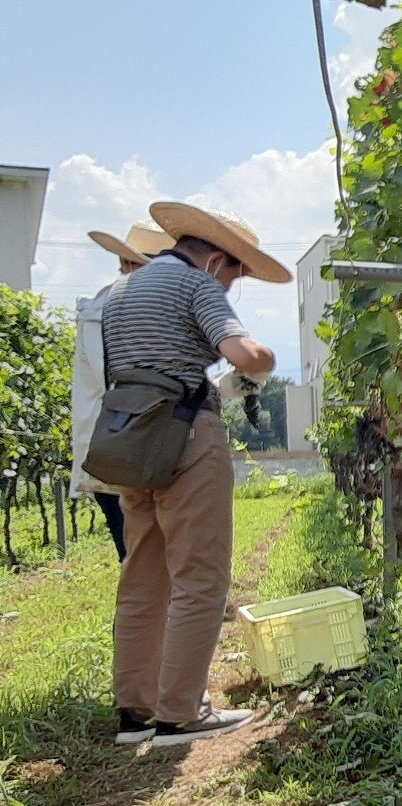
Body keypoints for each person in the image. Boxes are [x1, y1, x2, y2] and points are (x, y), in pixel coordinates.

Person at [103, 202, 287, 747]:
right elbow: (243, 354)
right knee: (200, 576)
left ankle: (135, 713)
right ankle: (182, 713)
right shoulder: (194, 285)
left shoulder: (124, 293)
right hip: (184, 431)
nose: (233, 286)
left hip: (129, 437)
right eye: (236, 273)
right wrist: (266, 359)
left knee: (143, 578)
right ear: (215, 259)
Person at [73, 221, 175, 561]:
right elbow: (134, 389)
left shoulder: (106, 308)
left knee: (141, 560)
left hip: (113, 454)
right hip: (127, 453)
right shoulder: (115, 314)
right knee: (145, 562)